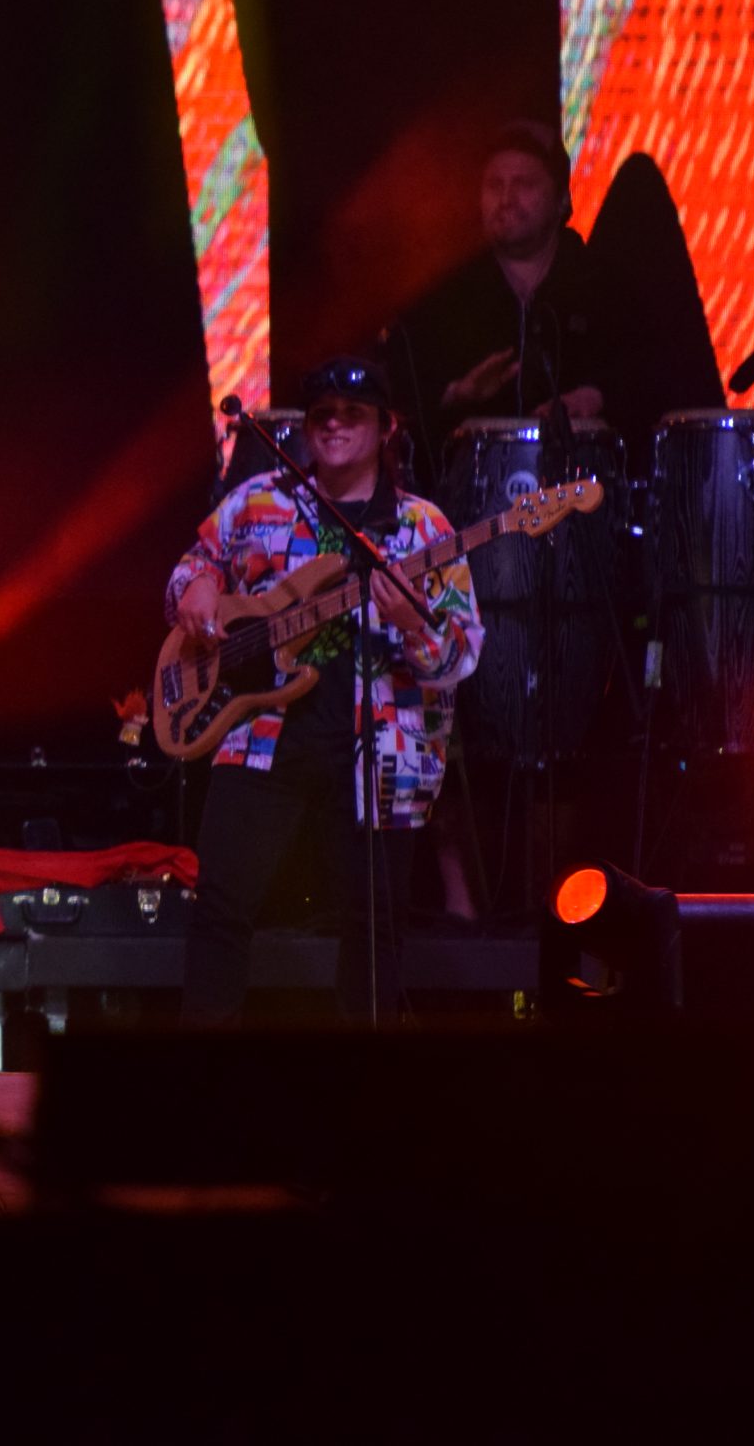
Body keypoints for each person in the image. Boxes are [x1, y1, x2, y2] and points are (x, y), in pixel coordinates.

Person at [167, 357, 483, 1023]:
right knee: (220, 910)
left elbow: (460, 658)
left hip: (382, 751)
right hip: (259, 736)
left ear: (387, 427)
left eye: (352, 413)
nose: (334, 424)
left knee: (374, 931)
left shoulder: (423, 529)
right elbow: (196, 563)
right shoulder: (258, 501)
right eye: (322, 415)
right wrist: (194, 586)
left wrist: (413, 626)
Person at [387, 122, 607, 487]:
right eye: (495, 185)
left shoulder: (598, 283)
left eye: (524, 184)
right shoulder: (445, 294)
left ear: (561, 200)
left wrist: (594, 397)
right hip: (471, 495)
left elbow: (644, 380)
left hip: (578, 494)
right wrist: (458, 394)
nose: (506, 198)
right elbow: (400, 397)